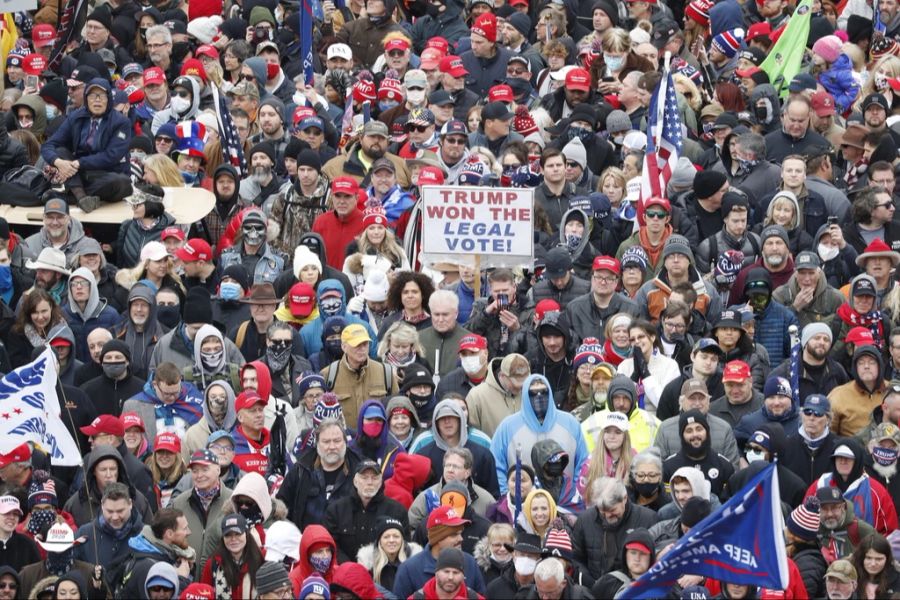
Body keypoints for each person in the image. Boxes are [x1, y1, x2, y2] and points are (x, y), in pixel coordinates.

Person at [40, 78, 133, 212]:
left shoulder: (121, 122)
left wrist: (79, 163)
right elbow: (49, 145)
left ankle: (73, 196)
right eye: (92, 95)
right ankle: (82, 198)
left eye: (101, 95)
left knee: (122, 183)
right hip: (78, 174)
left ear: (108, 99)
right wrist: (59, 162)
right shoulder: (75, 117)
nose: (97, 100)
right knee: (60, 151)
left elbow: (111, 156)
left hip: (107, 174)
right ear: (86, 98)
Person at [491, 375, 588, 495]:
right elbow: (496, 465)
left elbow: (583, 464)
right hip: (521, 505)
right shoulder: (507, 427)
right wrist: (507, 498)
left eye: (543, 392)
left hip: (565, 505)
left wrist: (575, 497)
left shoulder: (570, 423)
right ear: (525, 396)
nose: (539, 397)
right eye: (533, 393)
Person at [571, 477, 658, 588]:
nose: (607, 516)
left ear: (624, 498)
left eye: (612, 510)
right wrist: (590, 583)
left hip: (629, 590)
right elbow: (576, 557)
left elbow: (653, 560)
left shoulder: (648, 519)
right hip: (592, 589)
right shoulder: (585, 520)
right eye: (602, 511)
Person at [278, 419, 363, 529]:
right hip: (306, 541)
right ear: (317, 444)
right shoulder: (301, 470)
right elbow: (281, 506)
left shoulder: (360, 471)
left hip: (347, 543)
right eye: (326, 442)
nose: (332, 447)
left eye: (337, 441)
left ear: (345, 443)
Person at [322, 459, 409, 563]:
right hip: (344, 572)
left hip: (383, 572)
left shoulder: (397, 511)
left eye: (375, 478)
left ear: (381, 482)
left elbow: (404, 547)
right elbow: (330, 545)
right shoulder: (336, 510)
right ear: (355, 481)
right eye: (364, 477)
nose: (370, 482)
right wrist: (350, 568)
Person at [392, 505, 487, 599]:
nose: (461, 539)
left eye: (460, 534)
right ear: (438, 538)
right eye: (454, 535)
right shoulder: (409, 569)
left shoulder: (470, 562)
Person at [199, 513, 264, 598]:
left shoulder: (261, 561)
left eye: (238, 534)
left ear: (246, 534)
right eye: (228, 535)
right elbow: (203, 595)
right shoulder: (213, 564)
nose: (233, 539)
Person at [829, 345, 889, 437]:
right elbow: (828, 434)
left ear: (880, 366)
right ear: (855, 368)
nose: (866, 366)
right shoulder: (839, 395)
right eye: (861, 363)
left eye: (872, 362)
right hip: (851, 448)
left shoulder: (893, 391)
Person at [816, 485, 877, 562]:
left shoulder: (860, 528)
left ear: (843, 507)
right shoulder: (813, 530)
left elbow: (880, 555)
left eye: (834, 508)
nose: (829, 514)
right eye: (824, 509)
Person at [591, 528, 655, 599]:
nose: (637, 558)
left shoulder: (662, 585)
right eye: (633, 553)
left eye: (643, 553)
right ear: (625, 554)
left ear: (651, 557)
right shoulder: (607, 582)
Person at [411, 547, 486, 600]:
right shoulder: (417, 598)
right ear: (436, 573)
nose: (450, 577)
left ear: (463, 575)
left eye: (456, 572)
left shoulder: (474, 598)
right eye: (446, 571)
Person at [0, 495, 41, 572]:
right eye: (6, 513)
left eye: (15, 514)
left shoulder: (28, 544)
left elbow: (37, 573)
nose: (12, 517)